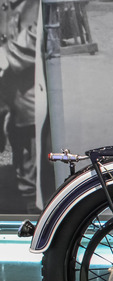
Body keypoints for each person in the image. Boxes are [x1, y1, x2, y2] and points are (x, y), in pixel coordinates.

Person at [0, 0, 41, 213]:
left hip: (25, 83)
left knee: (28, 149)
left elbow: (40, 31)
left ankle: (31, 211)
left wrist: (7, 54)